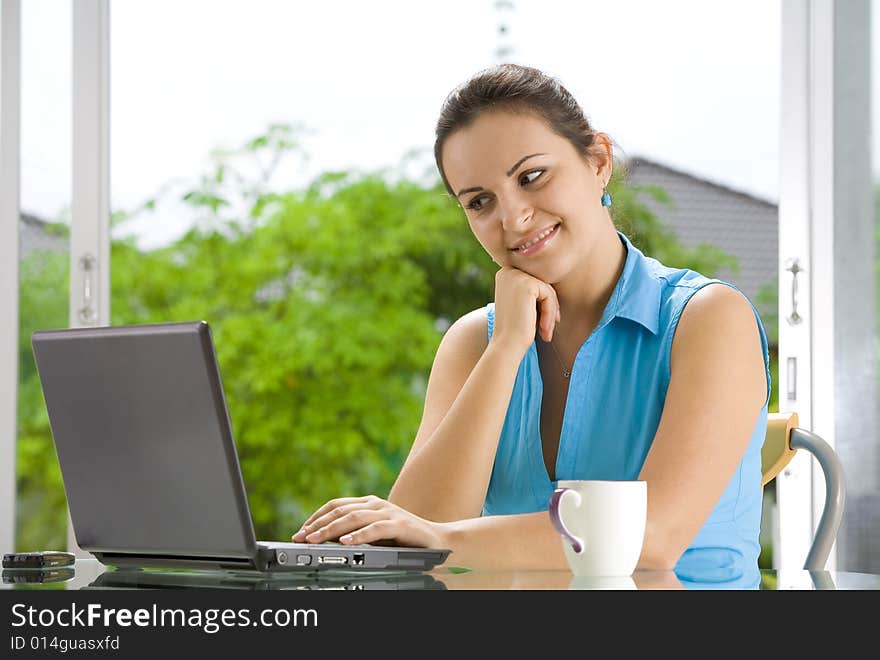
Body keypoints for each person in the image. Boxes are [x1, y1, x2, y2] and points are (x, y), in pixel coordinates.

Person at [292, 63, 771, 573]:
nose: (513, 217)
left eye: (532, 176)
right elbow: (413, 535)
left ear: (599, 161)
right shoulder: (476, 340)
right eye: (479, 201)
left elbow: (651, 539)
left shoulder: (709, 319)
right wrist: (504, 351)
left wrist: (438, 537)